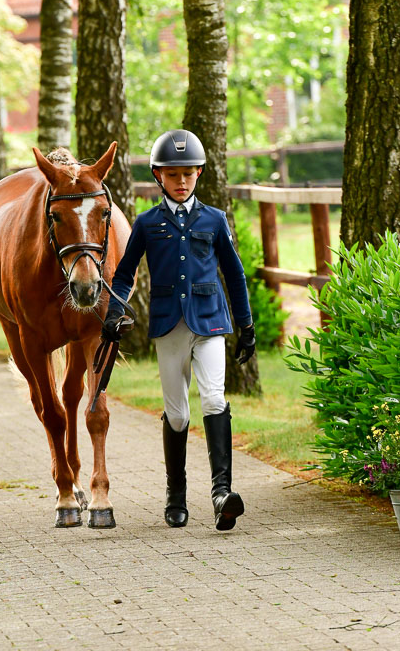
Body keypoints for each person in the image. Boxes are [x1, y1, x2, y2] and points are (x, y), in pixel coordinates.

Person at [103, 129, 255, 531]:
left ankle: (222, 494)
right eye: (173, 174)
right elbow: (124, 274)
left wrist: (246, 325)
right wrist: (114, 311)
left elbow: (235, 275)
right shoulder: (147, 223)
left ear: (199, 172)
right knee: (176, 413)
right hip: (168, 326)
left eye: (188, 173)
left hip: (210, 323)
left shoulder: (215, 219)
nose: (181, 181)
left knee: (214, 399)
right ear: (158, 176)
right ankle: (175, 495)